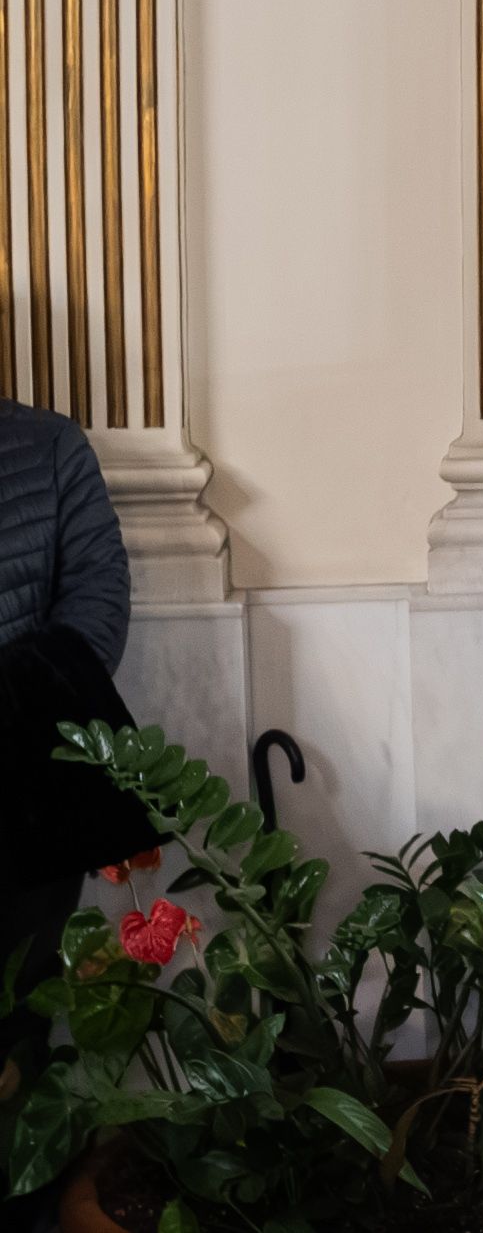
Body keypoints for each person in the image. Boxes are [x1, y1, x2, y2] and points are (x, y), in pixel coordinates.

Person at [0, 400, 160, 1229]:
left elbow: (98, 597)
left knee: (21, 1014)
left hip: (22, 794)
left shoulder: (50, 445)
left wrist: (17, 707)